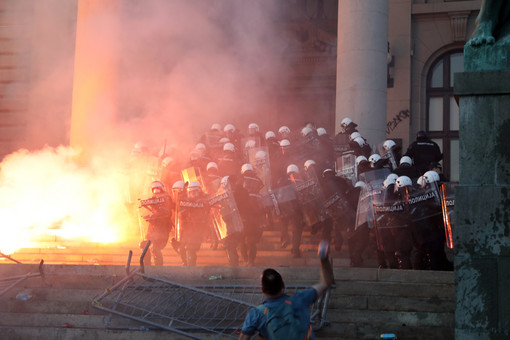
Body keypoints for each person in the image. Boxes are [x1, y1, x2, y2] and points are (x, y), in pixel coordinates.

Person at [239, 241, 335, 340]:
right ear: (283, 285)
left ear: (262, 289)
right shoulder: (300, 299)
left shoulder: (256, 314)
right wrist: (324, 259)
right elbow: (326, 282)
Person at [139, 181, 173, 266]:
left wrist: (154, 215)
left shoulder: (167, 199)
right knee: (143, 245)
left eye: (158, 190)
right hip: (152, 229)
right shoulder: (153, 199)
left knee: (155, 248)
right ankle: (147, 266)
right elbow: (143, 204)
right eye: (154, 190)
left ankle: (158, 268)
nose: (156, 192)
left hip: (163, 230)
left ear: (162, 189)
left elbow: (166, 212)